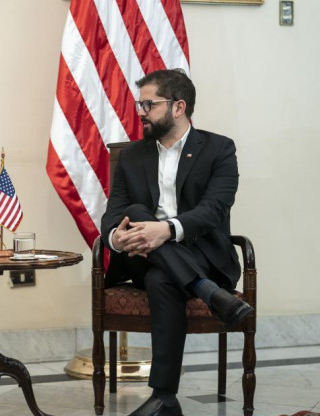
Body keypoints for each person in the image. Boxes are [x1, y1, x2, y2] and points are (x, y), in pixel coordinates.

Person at [100, 69, 253, 416]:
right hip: (142, 255)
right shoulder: (132, 156)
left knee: (161, 278)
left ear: (178, 106)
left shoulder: (219, 149)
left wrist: (166, 230)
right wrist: (118, 238)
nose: (140, 111)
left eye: (148, 104)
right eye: (140, 104)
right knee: (138, 210)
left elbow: (214, 210)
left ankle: (164, 398)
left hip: (203, 255)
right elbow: (113, 217)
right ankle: (210, 293)